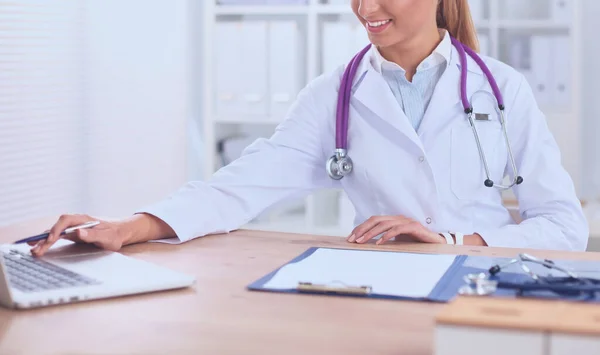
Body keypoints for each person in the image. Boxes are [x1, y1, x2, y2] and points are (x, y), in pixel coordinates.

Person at [31, 0, 588, 257]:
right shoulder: (335, 94)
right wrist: (133, 225)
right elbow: (242, 184)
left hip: (481, 285)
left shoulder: (502, 88)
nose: (364, 7)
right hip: (381, 293)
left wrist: (451, 241)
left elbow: (565, 227)